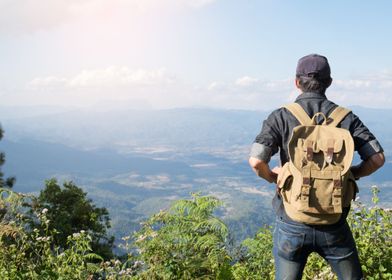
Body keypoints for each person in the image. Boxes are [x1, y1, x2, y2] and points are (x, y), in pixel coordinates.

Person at [248, 54, 385, 280]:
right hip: (334, 223)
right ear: (329, 82)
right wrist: (353, 174)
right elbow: (377, 158)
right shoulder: (347, 118)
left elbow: (256, 161)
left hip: (292, 220)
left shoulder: (281, 116)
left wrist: (274, 177)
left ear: (296, 82)